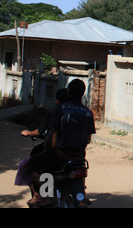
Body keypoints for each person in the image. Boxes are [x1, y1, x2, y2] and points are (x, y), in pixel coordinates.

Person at [25, 79, 96, 207]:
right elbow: (88, 139)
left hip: (59, 155)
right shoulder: (88, 112)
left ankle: (42, 196)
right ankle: (81, 196)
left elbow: (54, 134)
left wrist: (54, 151)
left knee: (31, 166)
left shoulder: (60, 109)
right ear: (83, 93)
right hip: (78, 158)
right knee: (79, 180)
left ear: (68, 91)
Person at [15, 88, 69, 188]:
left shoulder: (54, 112)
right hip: (75, 152)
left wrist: (29, 133)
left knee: (28, 166)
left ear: (57, 101)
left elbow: (40, 131)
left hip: (55, 151)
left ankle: (40, 196)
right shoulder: (80, 113)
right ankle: (82, 193)